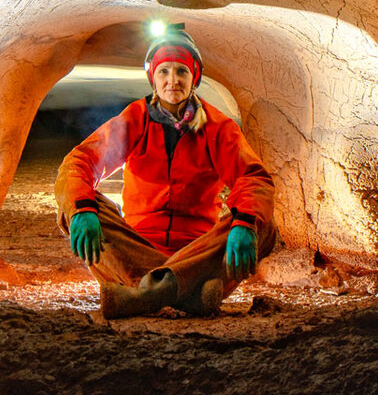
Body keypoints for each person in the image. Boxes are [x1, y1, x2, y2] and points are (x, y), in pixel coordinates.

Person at [55, 23, 277, 318]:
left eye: (181, 71)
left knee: (263, 226)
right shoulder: (135, 119)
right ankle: (189, 295)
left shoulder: (216, 126)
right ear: (153, 78)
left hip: (197, 250)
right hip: (138, 246)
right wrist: (82, 209)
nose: (173, 80)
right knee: (79, 206)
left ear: (194, 77)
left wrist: (244, 223)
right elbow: (80, 162)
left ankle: (143, 294)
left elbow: (253, 178)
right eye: (164, 71)